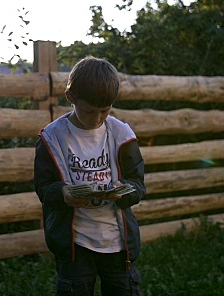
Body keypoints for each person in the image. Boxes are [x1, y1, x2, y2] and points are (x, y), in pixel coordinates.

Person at [34, 56, 146, 296]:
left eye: (105, 111)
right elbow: (43, 187)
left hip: (117, 243)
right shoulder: (52, 137)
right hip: (75, 244)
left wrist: (123, 191)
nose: (97, 119)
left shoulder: (122, 134)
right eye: (89, 111)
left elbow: (138, 183)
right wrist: (63, 193)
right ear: (71, 98)